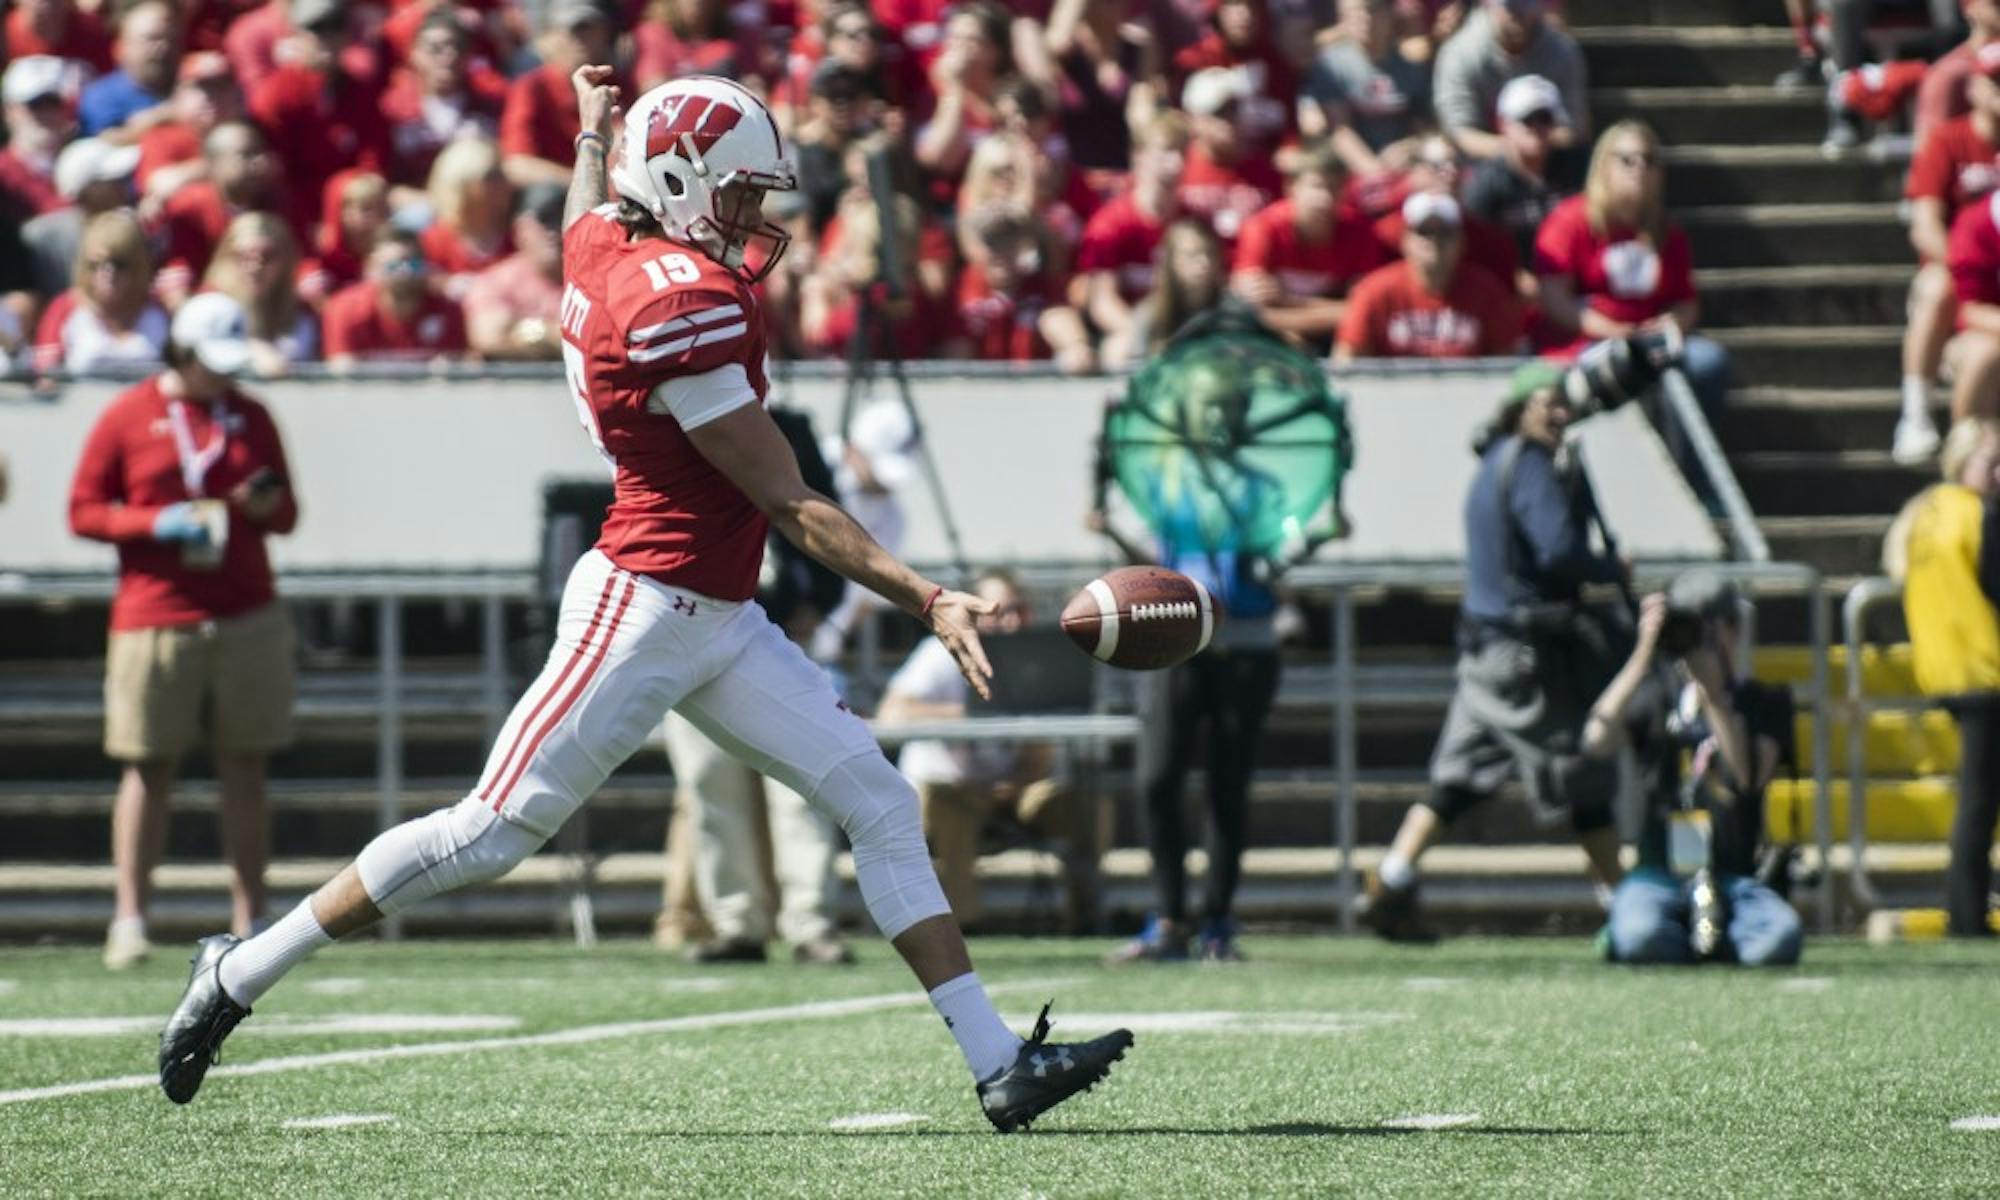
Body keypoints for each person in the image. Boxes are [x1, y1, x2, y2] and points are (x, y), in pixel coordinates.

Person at [158, 68, 1132, 1133]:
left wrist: (588, 130)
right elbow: (789, 496)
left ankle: (997, 1064)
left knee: (880, 804)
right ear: (675, 182)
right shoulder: (676, 305)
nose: (755, 222)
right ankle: (240, 970)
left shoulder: (608, 243)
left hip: (718, 616)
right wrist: (925, 595)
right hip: (643, 603)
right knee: (486, 835)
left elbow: (585, 214)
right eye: (740, 197)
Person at [67, 292, 300, 970]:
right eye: (212, 363)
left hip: (246, 611)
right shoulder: (128, 416)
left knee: (246, 766)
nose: (224, 377)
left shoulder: (252, 416)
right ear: (184, 353)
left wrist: (261, 505)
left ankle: (251, 918)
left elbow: (287, 514)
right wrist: (154, 524)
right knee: (147, 766)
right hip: (154, 614)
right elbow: (83, 511)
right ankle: (131, 919)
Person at [1364, 362, 1626, 941]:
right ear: (1518, 408)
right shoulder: (1530, 464)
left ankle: (1392, 878)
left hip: (1484, 649)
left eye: (1564, 402)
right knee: (1580, 773)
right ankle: (1628, 908)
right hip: (1524, 657)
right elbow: (1558, 551)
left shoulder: (1492, 462)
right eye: (1546, 401)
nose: (1560, 411)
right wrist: (1611, 568)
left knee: (1456, 779)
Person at [664, 405, 854, 966]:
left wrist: (818, 603)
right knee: (708, 785)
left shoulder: (789, 427)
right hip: (694, 630)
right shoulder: (668, 420)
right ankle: (736, 921)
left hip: (777, 633)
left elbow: (822, 516)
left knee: (801, 786)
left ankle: (810, 922)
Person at [1584, 576, 1804, 967]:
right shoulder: (1655, 695)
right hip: (1658, 873)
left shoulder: (1764, 701)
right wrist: (1643, 652)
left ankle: (1701, 935)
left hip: (1732, 876)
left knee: (1780, 939)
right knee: (1641, 936)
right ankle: (1688, 936)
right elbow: (1595, 738)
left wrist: (1716, 699)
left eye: (1703, 627)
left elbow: (1746, 779)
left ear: (1732, 630)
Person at [879, 570, 1078, 930]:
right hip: (952, 788)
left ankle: (1085, 916)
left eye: (1019, 610)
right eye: (997, 612)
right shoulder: (939, 652)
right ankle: (965, 925)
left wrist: (1017, 784)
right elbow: (892, 713)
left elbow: (1042, 745)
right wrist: (972, 712)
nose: (1011, 621)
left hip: (1013, 789)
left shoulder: (1034, 662)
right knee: (948, 804)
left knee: (1084, 801)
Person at [1535, 121, 1732, 443]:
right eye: (1627, 160)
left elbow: (1686, 301)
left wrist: (1672, 325)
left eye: (1649, 161)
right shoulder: (1570, 221)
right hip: (1588, 341)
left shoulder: (1666, 232)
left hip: (1651, 343)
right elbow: (1555, 299)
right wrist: (1614, 332)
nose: (1639, 169)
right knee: (1616, 369)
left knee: (1708, 361)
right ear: (1603, 165)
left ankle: (1688, 472)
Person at [1883, 417, 2000, 936]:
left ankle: (1966, 911)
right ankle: (1967, 916)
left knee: (1977, 799)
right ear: (1961, 463)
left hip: (1946, 671)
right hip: (1986, 669)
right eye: (1991, 463)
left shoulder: (1926, 512)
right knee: (1979, 803)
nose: (1998, 474)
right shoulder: (1979, 515)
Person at [1897, 43, 2000, 464]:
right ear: (1974, 85)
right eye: (1995, 81)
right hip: (1959, 276)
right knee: (1939, 286)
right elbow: (1924, 225)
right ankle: (1916, 412)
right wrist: (1964, 268)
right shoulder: (1948, 139)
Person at [1229, 142, 1386, 348]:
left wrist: (1287, 300)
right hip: (1270, 340)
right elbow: (1250, 312)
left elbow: (1365, 310)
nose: (1325, 198)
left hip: (1333, 337)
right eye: (1317, 186)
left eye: (1335, 187)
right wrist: (1328, 315)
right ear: (1291, 187)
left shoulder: (1360, 231)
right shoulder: (1263, 229)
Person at [1334, 190, 1522, 361]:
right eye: (1424, 232)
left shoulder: (1487, 291)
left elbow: (1507, 363)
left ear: (1462, 242)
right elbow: (1347, 362)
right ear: (1405, 240)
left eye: (1445, 232)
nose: (1435, 241)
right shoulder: (1375, 291)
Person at [1432, 0, 1587, 162]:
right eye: (1510, 6)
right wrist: (1519, 148)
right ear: (1488, 4)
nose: (1519, 13)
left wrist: (1534, 144)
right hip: (1479, 167)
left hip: (1550, 165)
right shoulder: (1461, 54)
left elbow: (1573, 128)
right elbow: (1460, 133)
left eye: (1526, 4)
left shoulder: (1561, 51)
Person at [1299, 0, 1434, 179]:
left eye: (1372, 11)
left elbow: (1425, 127)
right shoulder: (1331, 66)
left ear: (1388, 14)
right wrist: (1374, 171)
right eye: (1355, 13)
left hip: (1403, 168)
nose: (1365, 20)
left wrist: (1410, 147)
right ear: (1343, 18)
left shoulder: (1410, 66)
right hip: (1351, 172)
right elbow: (1340, 130)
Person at [33, 210, 170, 375]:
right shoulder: (65, 308)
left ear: (138, 266)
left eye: (119, 264)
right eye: (95, 265)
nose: (107, 274)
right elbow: (44, 375)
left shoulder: (161, 311)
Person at [1462, 73, 1567, 276]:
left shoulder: (1576, 169)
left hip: (1567, 282)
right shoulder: (1485, 184)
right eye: (1527, 119)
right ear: (1503, 124)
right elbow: (1476, 251)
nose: (1537, 127)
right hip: (1507, 287)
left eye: (1545, 118)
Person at [320, 229, 469, 365]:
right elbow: (341, 378)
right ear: (373, 268)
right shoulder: (346, 310)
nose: (405, 272)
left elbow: (453, 377)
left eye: (413, 264)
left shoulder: (448, 311)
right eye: (394, 266)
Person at [200, 211, 318, 374]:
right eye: (244, 256)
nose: (255, 266)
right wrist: (254, 349)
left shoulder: (302, 312)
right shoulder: (208, 306)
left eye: (267, 256)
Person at [462, 183, 565, 360]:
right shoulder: (495, 282)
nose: (555, 230)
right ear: (520, 228)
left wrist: (521, 330)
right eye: (545, 218)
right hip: (513, 385)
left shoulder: (594, 279)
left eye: (563, 219)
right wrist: (558, 335)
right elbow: (490, 340)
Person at [78, 0, 181, 138]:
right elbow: (107, 140)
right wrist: (162, 116)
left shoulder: (192, 88)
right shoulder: (101, 97)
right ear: (122, 47)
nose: (162, 48)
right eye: (151, 39)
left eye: (169, 38)